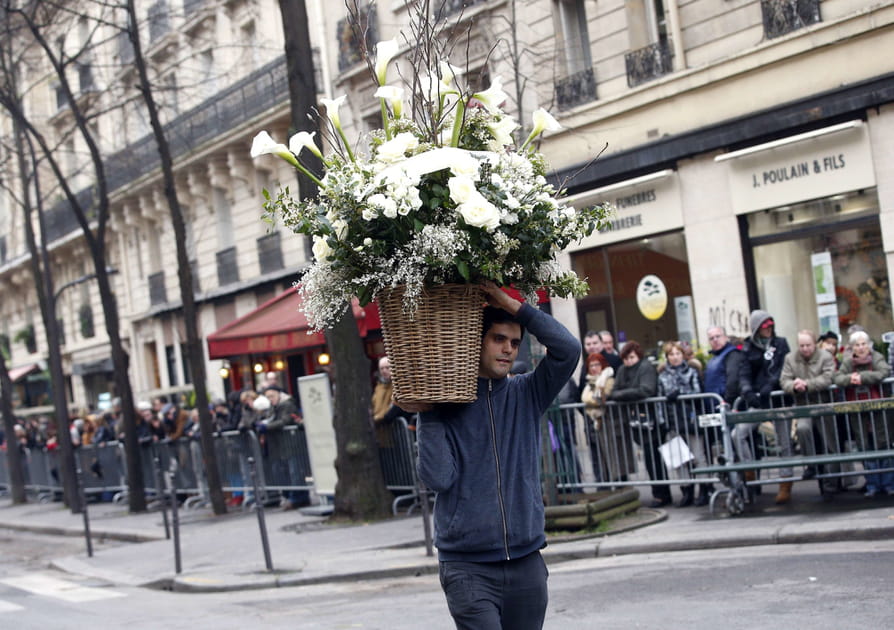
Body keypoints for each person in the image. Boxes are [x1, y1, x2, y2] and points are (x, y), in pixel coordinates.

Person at [408, 283, 579, 630]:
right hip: (468, 569)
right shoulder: (444, 405)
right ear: (477, 341)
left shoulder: (527, 393)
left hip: (526, 563)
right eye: (499, 339)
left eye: (514, 343)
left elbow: (568, 349)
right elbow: (438, 478)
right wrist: (428, 413)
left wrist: (516, 308)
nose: (508, 350)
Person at [734, 310, 793, 503]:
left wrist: (772, 383)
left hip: (778, 399)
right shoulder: (748, 347)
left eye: (770, 326)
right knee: (738, 434)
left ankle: (786, 482)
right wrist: (747, 391)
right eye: (764, 327)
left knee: (784, 443)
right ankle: (749, 470)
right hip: (759, 401)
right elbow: (743, 372)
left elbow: (783, 367)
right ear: (756, 329)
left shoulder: (781, 343)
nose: (768, 330)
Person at [609, 340, 672, 508]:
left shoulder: (645, 367)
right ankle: (660, 493)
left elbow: (646, 390)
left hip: (652, 421)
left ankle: (662, 494)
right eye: (625, 358)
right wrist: (624, 394)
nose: (628, 361)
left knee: (654, 459)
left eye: (631, 357)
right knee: (649, 459)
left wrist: (621, 394)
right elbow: (614, 391)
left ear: (638, 355)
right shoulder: (623, 370)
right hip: (635, 421)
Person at [834, 330, 893, 497]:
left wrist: (861, 377)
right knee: (864, 446)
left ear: (869, 345)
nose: (861, 348)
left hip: (878, 407)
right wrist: (849, 379)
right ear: (852, 348)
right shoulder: (847, 362)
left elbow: (883, 372)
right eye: (857, 345)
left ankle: (888, 484)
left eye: (863, 344)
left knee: (883, 443)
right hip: (857, 409)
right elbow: (837, 378)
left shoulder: (877, 357)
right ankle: (872, 485)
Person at [780, 330, 837, 498]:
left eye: (808, 345)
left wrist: (807, 384)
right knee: (802, 429)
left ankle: (831, 484)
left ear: (814, 344)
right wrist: (794, 385)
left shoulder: (825, 357)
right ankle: (811, 464)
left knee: (829, 444)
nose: (804, 349)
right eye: (801, 345)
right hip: (804, 404)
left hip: (824, 404)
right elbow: (784, 380)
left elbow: (828, 377)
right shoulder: (790, 358)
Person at [658, 341, 710, 507]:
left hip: (691, 419)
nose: (675, 357)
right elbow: (659, 400)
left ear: (683, 355)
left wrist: (680, 393)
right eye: (671, 354)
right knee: (678, 459)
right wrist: (662, 421)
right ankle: (686, 490)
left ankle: (704, 489)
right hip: (673, 421)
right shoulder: (662, 376)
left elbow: (697, 393)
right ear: (667, 357)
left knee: (698, 456)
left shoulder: (692, 372)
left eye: (678, 354)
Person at [581, 352, 633, 485]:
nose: (594, 368)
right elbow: (586, 398)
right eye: (591, 365)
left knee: (618, 462)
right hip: (599, 425)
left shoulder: (607, 379)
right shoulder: (590, 383)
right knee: (604, 461)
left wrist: (591, 400)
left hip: (613, 425)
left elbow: (598, 399)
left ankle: (624, 489)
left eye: (597, 364)